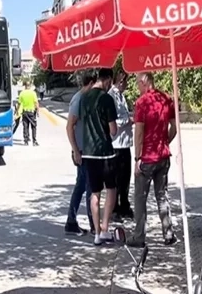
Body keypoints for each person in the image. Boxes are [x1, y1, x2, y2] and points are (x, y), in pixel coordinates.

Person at [127, 72, 178, 248]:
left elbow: (139, 132)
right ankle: (168, 233)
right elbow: (174, 127)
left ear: (144, 82)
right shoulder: (166, 98)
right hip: (163, 156)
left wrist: (137, 158)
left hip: (147, 158)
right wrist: (165, 142)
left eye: (137, 84)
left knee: (140, 198)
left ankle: (139, 236)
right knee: (162, 195)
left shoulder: (142, 103)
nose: (137, 88)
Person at [75, 68, 118, 245]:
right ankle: (106, 228)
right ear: (107, 80)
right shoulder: (107, 99)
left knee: (94, 193)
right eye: (111, 83)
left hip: (89, 154)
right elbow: (113, 130)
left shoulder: (83, 99)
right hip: (105, 153)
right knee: (111, 189)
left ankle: (97, 234)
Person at [64, 71, 96, 236]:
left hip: (85, 150)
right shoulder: (78, 99)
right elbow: (69, 126)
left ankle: (72, 221)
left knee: (82, 186)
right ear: (90, 84)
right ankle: (93, 224)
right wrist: (76, 151)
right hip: (81, 151)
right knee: (88, 187)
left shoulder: (84, 99)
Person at [108, 70, 133, 221]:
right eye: (126, 81)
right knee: (117, 178)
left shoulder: (121, 96)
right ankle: (115, 208)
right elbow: (113, 121)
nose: (127, 85)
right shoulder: (112, 96)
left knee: (125, 177)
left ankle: (124, 205)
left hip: (125, 143)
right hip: (116, 143)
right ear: (121, 81)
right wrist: (128, 121)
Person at [17, 80, 39, 146]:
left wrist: (17, 111)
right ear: (30, 86)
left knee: (25, 126)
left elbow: (19, 103)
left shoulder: (22, 93)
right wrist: (37, 111)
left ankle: (26, 141)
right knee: (34, 126)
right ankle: (34, 141)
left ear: (25, 86)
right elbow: (36, 103)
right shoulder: (33, 93)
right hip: (32, 112)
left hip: (24, 112)